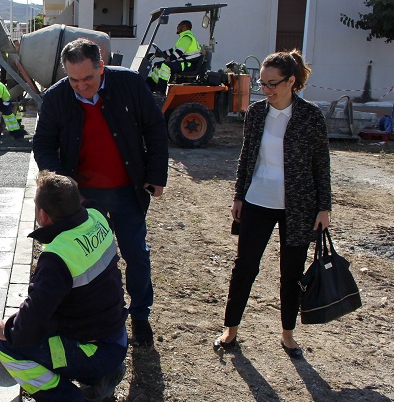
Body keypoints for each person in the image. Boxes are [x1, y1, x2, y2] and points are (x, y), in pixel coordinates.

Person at [32, 38, 169, 350]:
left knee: (135, 254)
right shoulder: (56, 98)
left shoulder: (129, 84)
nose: (81, 86)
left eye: (88, 79)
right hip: (82, 197)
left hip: (126, 190)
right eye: (73, 80)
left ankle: (140, 314)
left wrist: (156, 174)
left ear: (101, 66)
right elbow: (43, 144)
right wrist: (63, 186)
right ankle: (83, 315)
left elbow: (155, 128)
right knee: (82, 257)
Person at [213, 50, 332, 359]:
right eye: (261, 84)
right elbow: (246, 157)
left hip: (298, 206)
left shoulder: (311, 116)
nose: (265, 90)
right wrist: (239, 195)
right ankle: (231, 329)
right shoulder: (255, 113)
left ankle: (288, 335)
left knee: (290, 273)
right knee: (245, 268)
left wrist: (324, 207)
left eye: (272, 84)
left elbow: (322, 163)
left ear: (291, 81)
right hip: (257, 201)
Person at [0, 170, 128, 402]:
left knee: (6, 347)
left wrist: (7, 330)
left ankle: (69, 397)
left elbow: (29, 327)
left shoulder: (57, 258)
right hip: (116, 337)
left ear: (43, 215)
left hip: (95, 351)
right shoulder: (96, 217)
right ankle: (102, 377)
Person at [146, 20, 202, 93]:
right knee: (158, 65)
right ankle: (150, 86)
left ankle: (161, 90)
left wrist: (169, 59)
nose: (177, 27)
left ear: (184, 27)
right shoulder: (182, 38)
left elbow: (179, 52)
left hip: (188, 64)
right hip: (184, 63)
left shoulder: (187, 38)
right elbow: (172, 51)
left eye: (179, 25)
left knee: (165, 66)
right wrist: (158, 54)